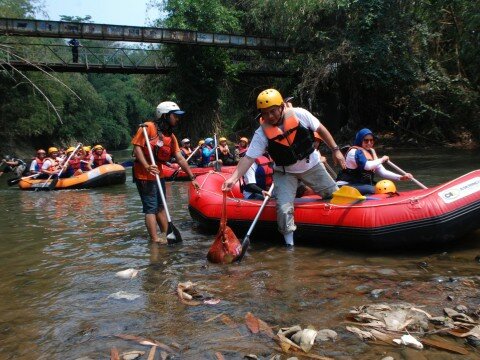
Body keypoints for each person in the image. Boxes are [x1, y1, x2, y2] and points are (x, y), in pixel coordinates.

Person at [223, 88, 346, 248]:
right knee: (283, 208)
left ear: (281, 106)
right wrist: (232, 179)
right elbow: (248, 158)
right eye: (265, 113)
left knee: (334, 195)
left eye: (272, 111)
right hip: (285, 172)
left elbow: (321, 129)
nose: (269, 116)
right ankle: (290, 246)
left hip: (312, 166)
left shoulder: (300, 114)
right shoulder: (262, 133)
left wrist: (336, 150)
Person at [131, 101, 200, 244]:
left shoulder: (171, 136)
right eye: (175, 116)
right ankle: (155, 240)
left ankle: (166, 234)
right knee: (150, 208)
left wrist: (192, 177)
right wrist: (147, 165)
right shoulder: (148, 127)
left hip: (159, 175)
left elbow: (180, 158)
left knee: (161, 207)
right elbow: (137, 148)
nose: (177, 119)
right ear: (164, 116)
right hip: (143, 174)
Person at [336, 128, 412, 195]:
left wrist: (400, 177)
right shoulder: (354, 152)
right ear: (360, 140)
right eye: (366, 140)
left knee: (385, 187)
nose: (369, 143)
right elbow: (367, 166)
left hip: (361, 185)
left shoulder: (370, 152)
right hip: (347, 185)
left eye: (371, 140)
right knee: (376, 190)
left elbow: (383, 172)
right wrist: (382, 159)